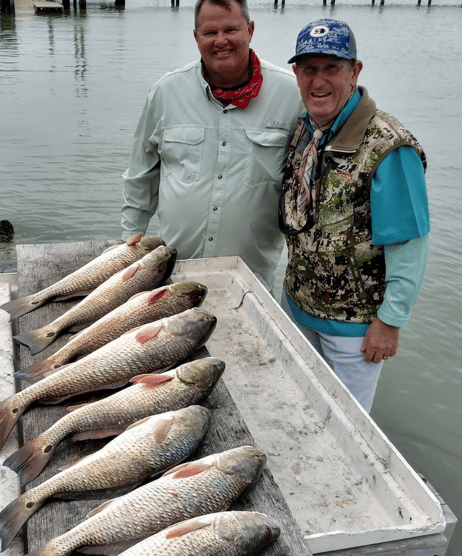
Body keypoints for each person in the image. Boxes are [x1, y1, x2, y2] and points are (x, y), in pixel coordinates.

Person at [279, 19, 430, 412]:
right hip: (296, 305)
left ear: (355, 71)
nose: (319, 81)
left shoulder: (388, 146)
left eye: (332, 67)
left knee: (346, 423)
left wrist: (391, 321)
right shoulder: (305, 130)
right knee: (297, 406)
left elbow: (409, 242)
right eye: (309, 68)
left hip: (355, 328)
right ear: (296, 74)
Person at [120, 0, 304, 290]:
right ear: (196, 37)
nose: (221, 41)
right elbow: (140, 176)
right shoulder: (166, 92)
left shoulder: (291, 96)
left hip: (250, 281)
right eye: (210, 32)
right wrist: (129, 244)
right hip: (171, 275)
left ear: (250, 30)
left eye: (231, 29)